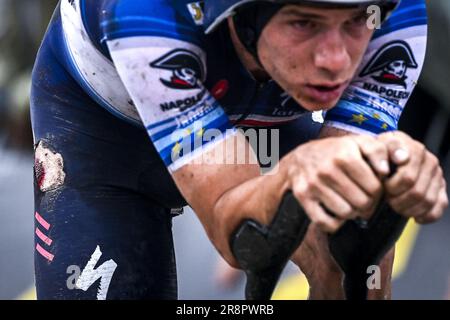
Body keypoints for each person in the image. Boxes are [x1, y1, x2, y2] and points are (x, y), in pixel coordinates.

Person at [31, 0, 447, 300]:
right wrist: (295, 173)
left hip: (267, 115)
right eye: (304, 23)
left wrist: (393, 174)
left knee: (356, 242)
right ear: (241, 16)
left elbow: (352, 196)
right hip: (108, 134)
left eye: (356, 20)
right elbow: (235, 231)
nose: (335, 60)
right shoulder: (144, 10)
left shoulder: (399, 16)